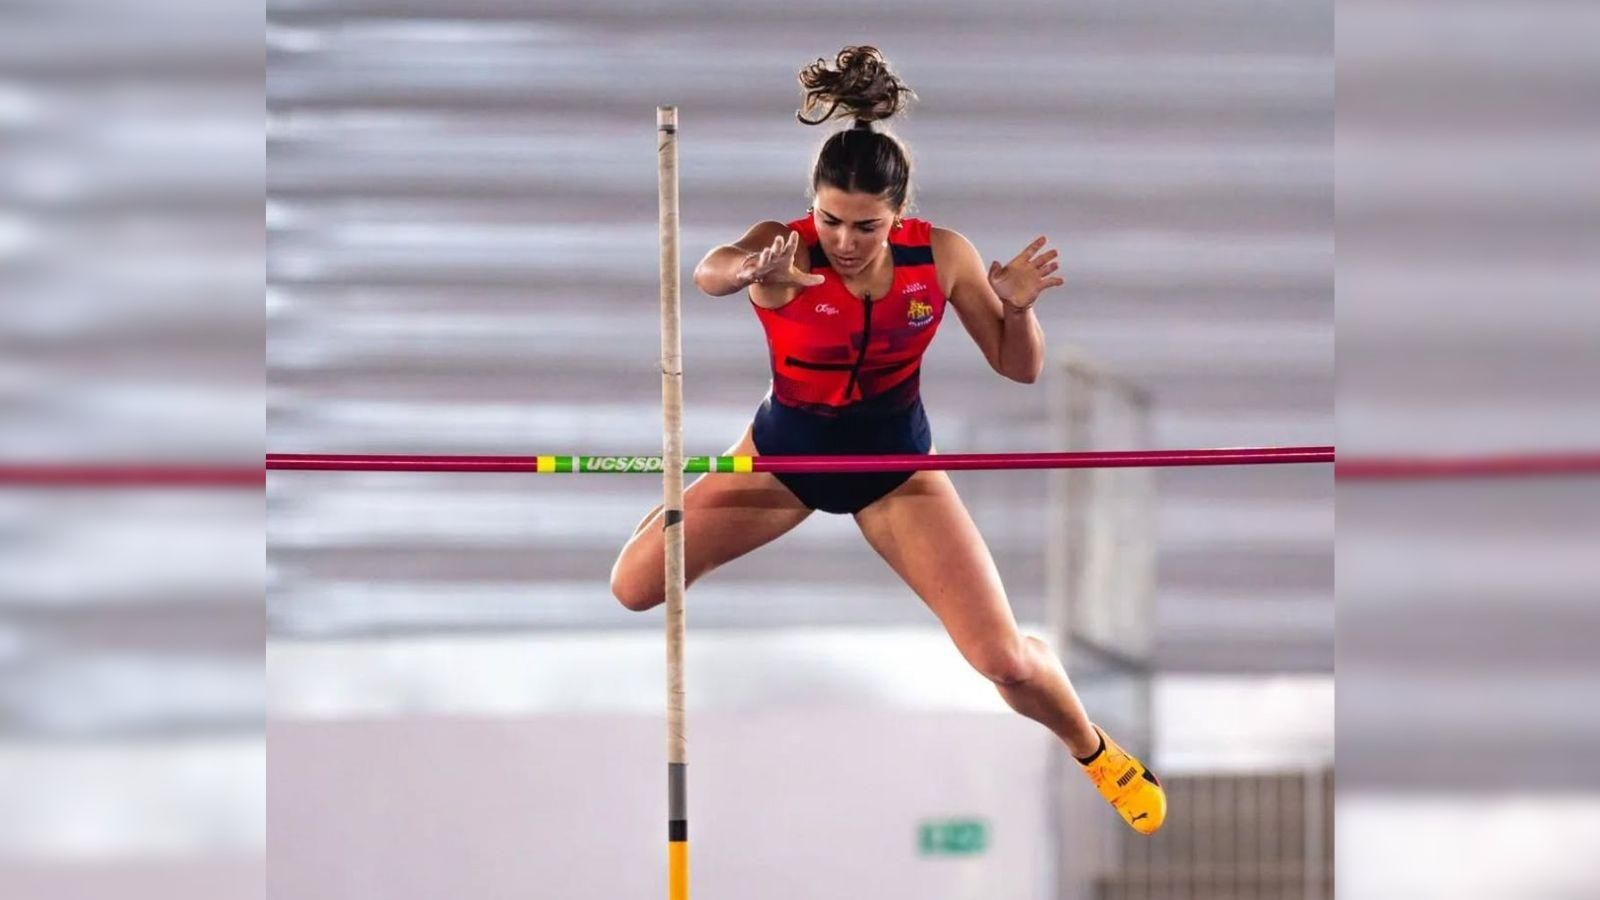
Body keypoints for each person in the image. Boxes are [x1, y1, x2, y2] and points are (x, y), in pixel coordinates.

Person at [611, 45, 1165, 835]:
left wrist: (1015, 309)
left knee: (1003, 662)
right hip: (782, 463)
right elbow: (710, 269)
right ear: (813, 206)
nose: (844, 240)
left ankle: (1098, 751)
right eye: (831, 219)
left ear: (897, 216)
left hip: (897, 472)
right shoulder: (786, 247)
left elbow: (1021, 369)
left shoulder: (940, 258)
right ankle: (673, 507)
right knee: (632, 587)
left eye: (865, 226)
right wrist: (747, 274)